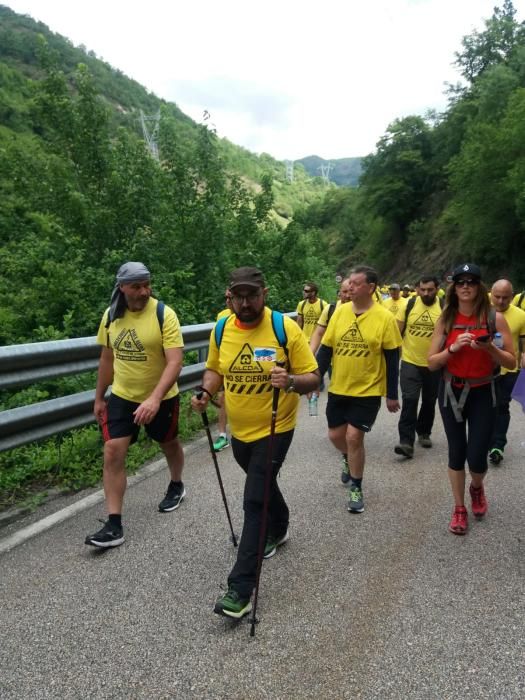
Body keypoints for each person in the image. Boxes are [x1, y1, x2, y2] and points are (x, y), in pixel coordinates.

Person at [192, 267, 319, 619]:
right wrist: (206, 390)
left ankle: (240, 589)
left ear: (264, 293)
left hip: (277, 425)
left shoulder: (284, 328)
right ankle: (279, 527)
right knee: (261, 485)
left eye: (252, 295)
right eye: (239, 296)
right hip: (241, 431)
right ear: (230, 296)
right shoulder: (221, 328)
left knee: (252, 500)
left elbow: (313, 377)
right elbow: (216, 368)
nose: (246, 303)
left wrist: (290, 380)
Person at [85, 262, 185, 548]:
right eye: (136, 286)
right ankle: (114, 525)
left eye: (147, 285)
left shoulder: (164, 314)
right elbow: (107, 359)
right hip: (123, 396)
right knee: (113, 451)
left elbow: (175, 361)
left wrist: (154, 398)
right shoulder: (111, 315)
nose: (144, 291)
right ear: (122, 288)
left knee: (169, 444)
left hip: (161, 396)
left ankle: (176, 483)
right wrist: (99, 397)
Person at [428, 263, 515, 536]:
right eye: (461, 281)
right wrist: (452, 349)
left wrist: (489, 347)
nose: (466, 286)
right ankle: (459, 508)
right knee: (457, 450)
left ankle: (476, 487)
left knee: (477, 457)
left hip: (482, 391)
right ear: (454, 287)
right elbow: (431, 363)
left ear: (480, 287)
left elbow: (511, 361)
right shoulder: (446, 318)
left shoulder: (494, 318)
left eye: (472, 281)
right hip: (451, 391)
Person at [317, 265, 402, 513]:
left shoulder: (384, 318)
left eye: (355, 283)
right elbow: (326, 350)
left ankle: (356, 485)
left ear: (371, 288)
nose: (349, 287)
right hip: (339, 387)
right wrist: (315, 379)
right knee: (335, 436)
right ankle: (347, 457)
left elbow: (391, 358)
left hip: (368, 390)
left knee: (354, 437)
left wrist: (391, 394)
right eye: (349, 283)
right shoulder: (340, 312)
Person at [394, 275, 443, 458]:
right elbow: (396, 333)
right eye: (422, 289)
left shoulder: (445, 307)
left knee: (430, 401)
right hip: (410, 361)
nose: (426, 293)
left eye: (430, 289)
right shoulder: (409, 305)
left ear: (437, 288)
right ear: (417, 288)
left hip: (434, 363)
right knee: (410, 399)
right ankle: (406, 442)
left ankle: (423, 432)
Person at [488, 279, 525, 465]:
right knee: (485, 406)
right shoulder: (481, 309)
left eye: (505, 298)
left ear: (512, 296)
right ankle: (485, 439)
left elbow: (523, 340)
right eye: (497, 297)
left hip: (509, 369)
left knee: (502, 405)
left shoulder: (521, 315)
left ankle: (498, 445)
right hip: (484, 369)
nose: (501, 301)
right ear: (490, 293)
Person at [213, 290, 234, 452]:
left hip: (244, 366)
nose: (227, 300)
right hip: (225, 364)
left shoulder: (251, 315)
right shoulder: (222, 316)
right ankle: (222, 436)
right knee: (222, 398)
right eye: (225, 297)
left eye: (230, 297)